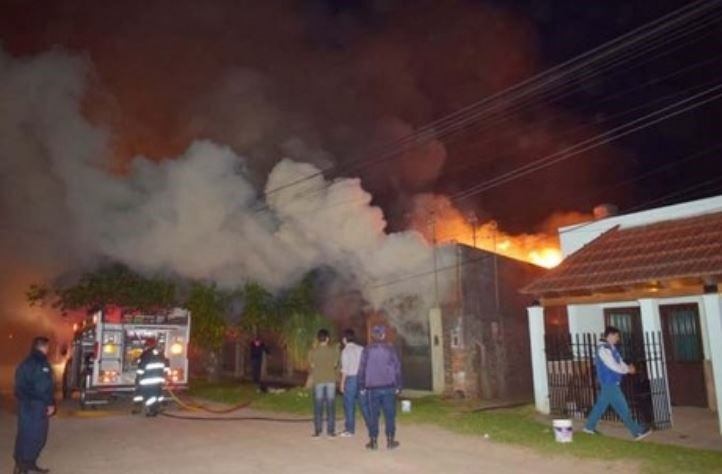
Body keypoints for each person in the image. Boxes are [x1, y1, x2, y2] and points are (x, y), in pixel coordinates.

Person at [583, 326, 651, 440]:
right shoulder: (603, 349)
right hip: (609, 383)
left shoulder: (610, 347)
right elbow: (613, 365)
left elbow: (619, 361)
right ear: (610, 335)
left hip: (610, 383)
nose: (618, 338)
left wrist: (627, 368)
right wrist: (627, 370)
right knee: (623, 408)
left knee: (600, 406)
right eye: (617, 336)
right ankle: (637, 431)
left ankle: (589, 427)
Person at [14, 336, 55, 474]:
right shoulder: (41, 363)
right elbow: (43, 387)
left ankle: (22, 464)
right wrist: (49, 403)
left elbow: (18, 386)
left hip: (25, 404)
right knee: (36, 436)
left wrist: (24, 398)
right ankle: (26, 466)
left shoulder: (25, 362)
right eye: (48, 346)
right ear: (43, 347)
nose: (48, 349)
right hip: (37, 405)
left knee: (24, 433)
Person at [358, 325, 402, 450]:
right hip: (389, 387)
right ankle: (390, 441)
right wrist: (398, 385)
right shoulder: (390, 349)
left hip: (372, 388)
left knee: (373, 415)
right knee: (390, 414)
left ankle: (373, 442)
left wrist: (361, 385)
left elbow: (362, 369)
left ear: (373, 336)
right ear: (383, 335)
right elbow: (397, 368)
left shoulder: (367, 350)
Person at [307, 329, 339, 438]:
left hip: (319, 380)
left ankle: (318, 430)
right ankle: (331, 431)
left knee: (318, 406)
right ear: (327, 338)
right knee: (331, 406)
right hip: (330, 380)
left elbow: (312, 366)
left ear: (318, 339)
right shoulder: (333, 351)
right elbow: (335, 365)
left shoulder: (312, 351)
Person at [339, 329, 368, 437]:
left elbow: (345, 370)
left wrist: (342, 384)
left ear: (345, 339)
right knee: (364, 404)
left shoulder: (345, 351)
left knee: (349, 405)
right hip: (361, 379)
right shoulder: (361, 349)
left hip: (351, 380)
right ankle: (371, 426)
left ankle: (350, 430)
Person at [134, 338, 169, 417]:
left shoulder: (146, 354)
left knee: (148, 395)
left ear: (148, 345)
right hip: (158, 378)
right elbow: (166, 362)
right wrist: (165, 374)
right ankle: (158, 407)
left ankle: (152, 410)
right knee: (157, 393)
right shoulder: (160, 353)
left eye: (146, 345)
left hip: (148, 379)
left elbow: (141, 367)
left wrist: (138, 377)